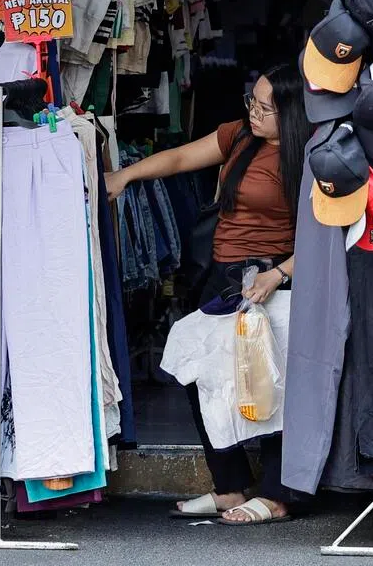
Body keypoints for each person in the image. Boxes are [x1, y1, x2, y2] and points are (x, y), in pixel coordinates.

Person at [106, 63, 312, 524]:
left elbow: (328, 232)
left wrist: (278, 273)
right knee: (201, 376)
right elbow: (179, 158)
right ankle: (229, 488)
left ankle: (278, 496)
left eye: (265, 108)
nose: (254, 113)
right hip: (225, 279)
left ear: (293, 114)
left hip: (274, 282)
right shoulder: (239, 136)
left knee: (272, 385)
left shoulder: (313, 155)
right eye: (252, 102)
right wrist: (124, 176)